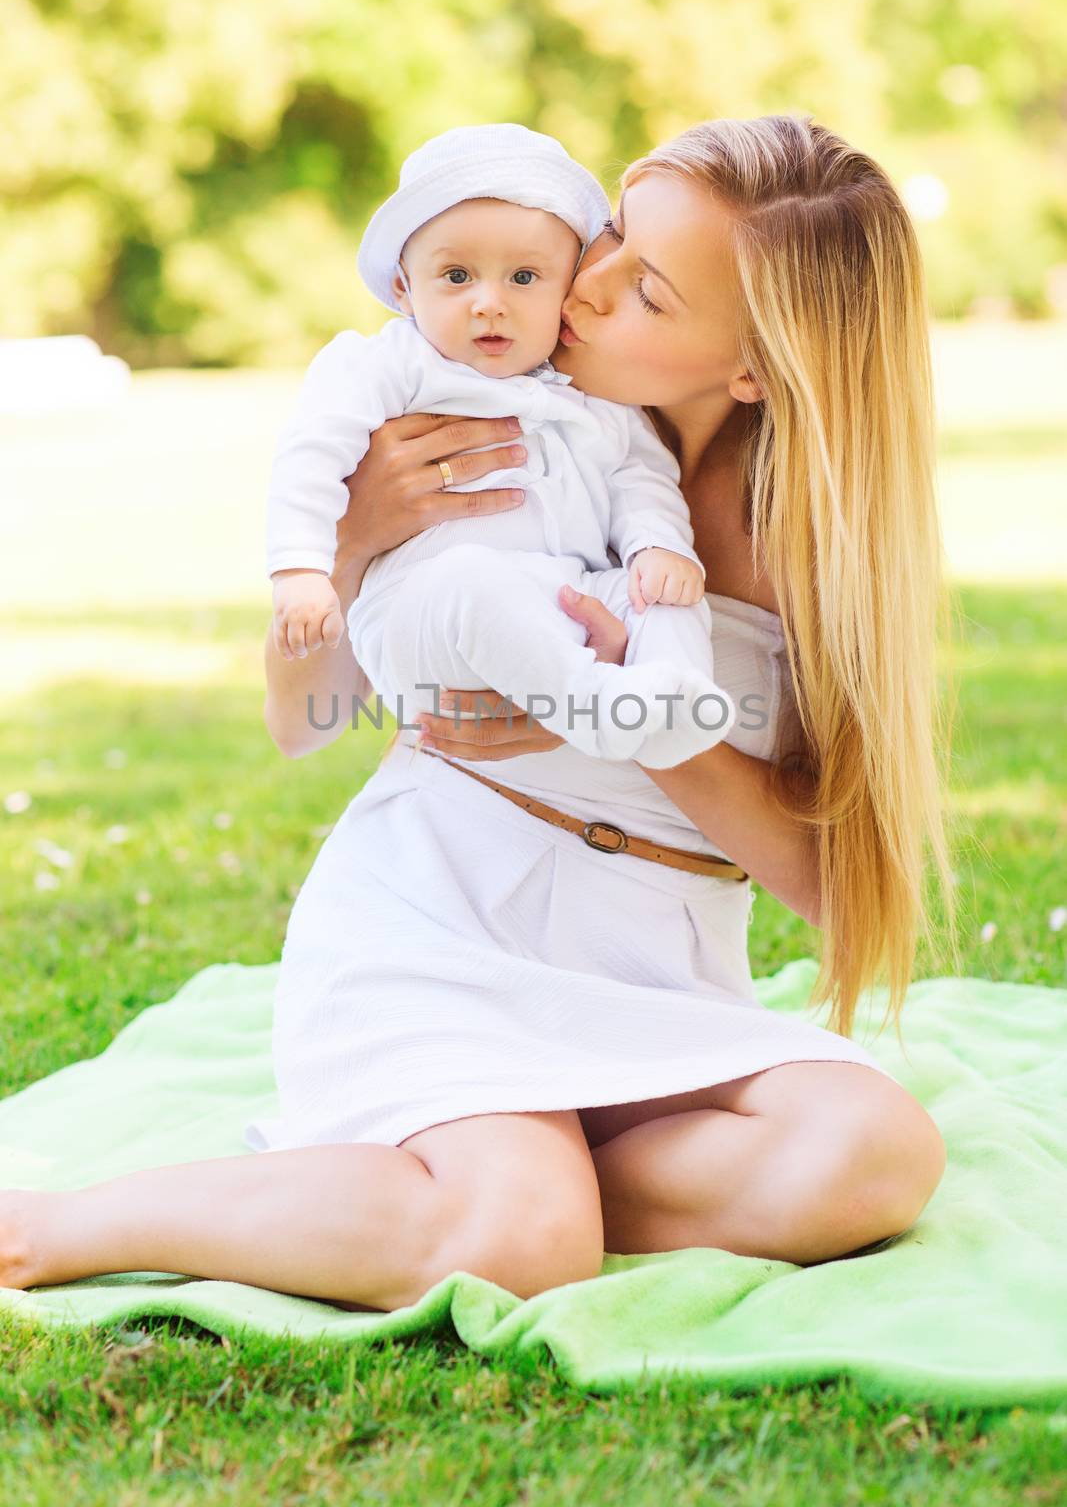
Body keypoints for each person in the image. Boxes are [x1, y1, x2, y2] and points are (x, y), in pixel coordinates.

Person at [0, 115, 951, 1312]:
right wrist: (348, 548)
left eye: (646, 291)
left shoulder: (809, 541)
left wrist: (634, 726)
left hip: (649, 966)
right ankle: (53, 1227)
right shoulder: (480, 429)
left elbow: (837, 885)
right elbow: (305, 723)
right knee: (516, 1237)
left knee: (874, 1156)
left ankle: (505, 1174)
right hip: (434, 917)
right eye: (608, 236)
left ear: (752, 365)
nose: (582, 288)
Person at [267, 121, 736, 768]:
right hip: (421, 610)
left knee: (660, 592)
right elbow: (311, 453)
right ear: (404, 288)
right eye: (456, 276)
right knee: (471, 579)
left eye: (523, 278)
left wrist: (657, 546)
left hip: (559, 599)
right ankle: (596, 710)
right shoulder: (392, 364)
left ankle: (673, 695)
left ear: (564, 287)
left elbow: (638, 473)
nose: (489, 303)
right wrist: (301, 569)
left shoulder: (587, 390)